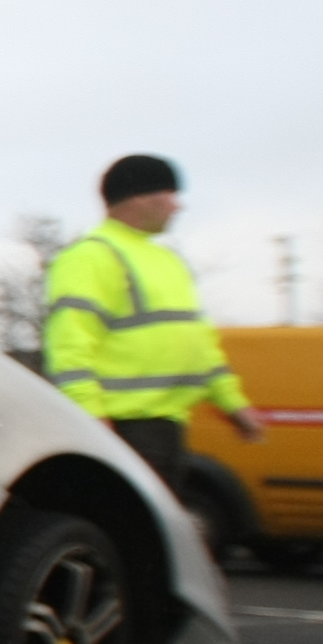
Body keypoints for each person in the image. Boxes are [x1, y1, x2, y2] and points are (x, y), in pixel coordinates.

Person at [42, 153, 262, 491]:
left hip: (167, 425)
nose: (179, 206)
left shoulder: (168, 261)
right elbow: (69, 343)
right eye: (172, 195)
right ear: (142, 198)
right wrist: (90, 416)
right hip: (122, 427)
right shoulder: (91, 256)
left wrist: (234, 405)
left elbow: (200, 345)